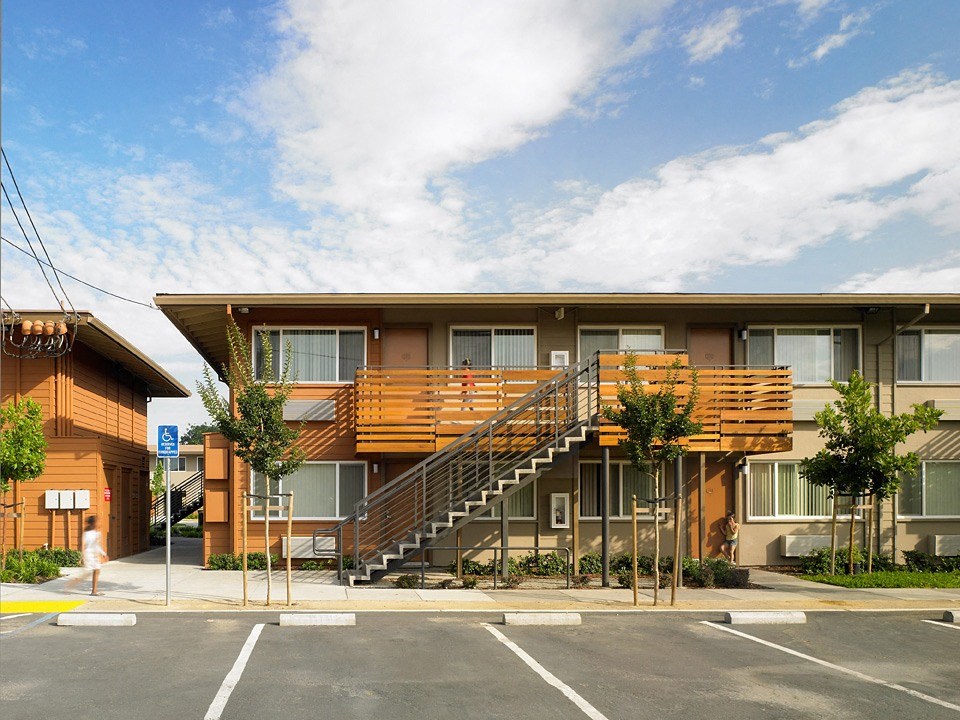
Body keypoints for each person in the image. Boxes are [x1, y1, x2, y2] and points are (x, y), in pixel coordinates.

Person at [66, 516, 108, 595]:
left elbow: (97, 545)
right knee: (87, 573)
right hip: (88, 554)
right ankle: (71, 584)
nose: (99, 523)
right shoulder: (86, 533)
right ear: (93, 523)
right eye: (97, 521)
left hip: (95, 554)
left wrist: (103, 554)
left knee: (97, 570)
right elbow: (83, 544)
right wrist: (82, 556)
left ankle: (94, 591)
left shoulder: (97, 533)